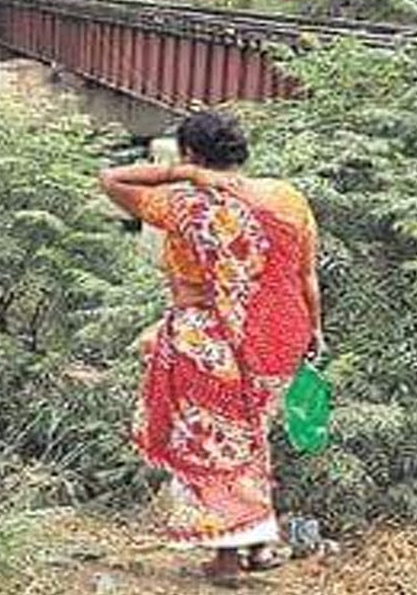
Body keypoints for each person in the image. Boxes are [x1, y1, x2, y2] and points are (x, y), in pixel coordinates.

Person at [99, 111, 323, 583]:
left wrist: (184, 174)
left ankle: (226, 558)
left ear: (191, 155)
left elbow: (111, 178)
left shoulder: (184, 205)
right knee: (250, 435)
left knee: (215, 444)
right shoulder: (287, 199)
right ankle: (260, 544)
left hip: (208, 338)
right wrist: (315, 331)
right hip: (278, 335)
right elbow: (306, 276)